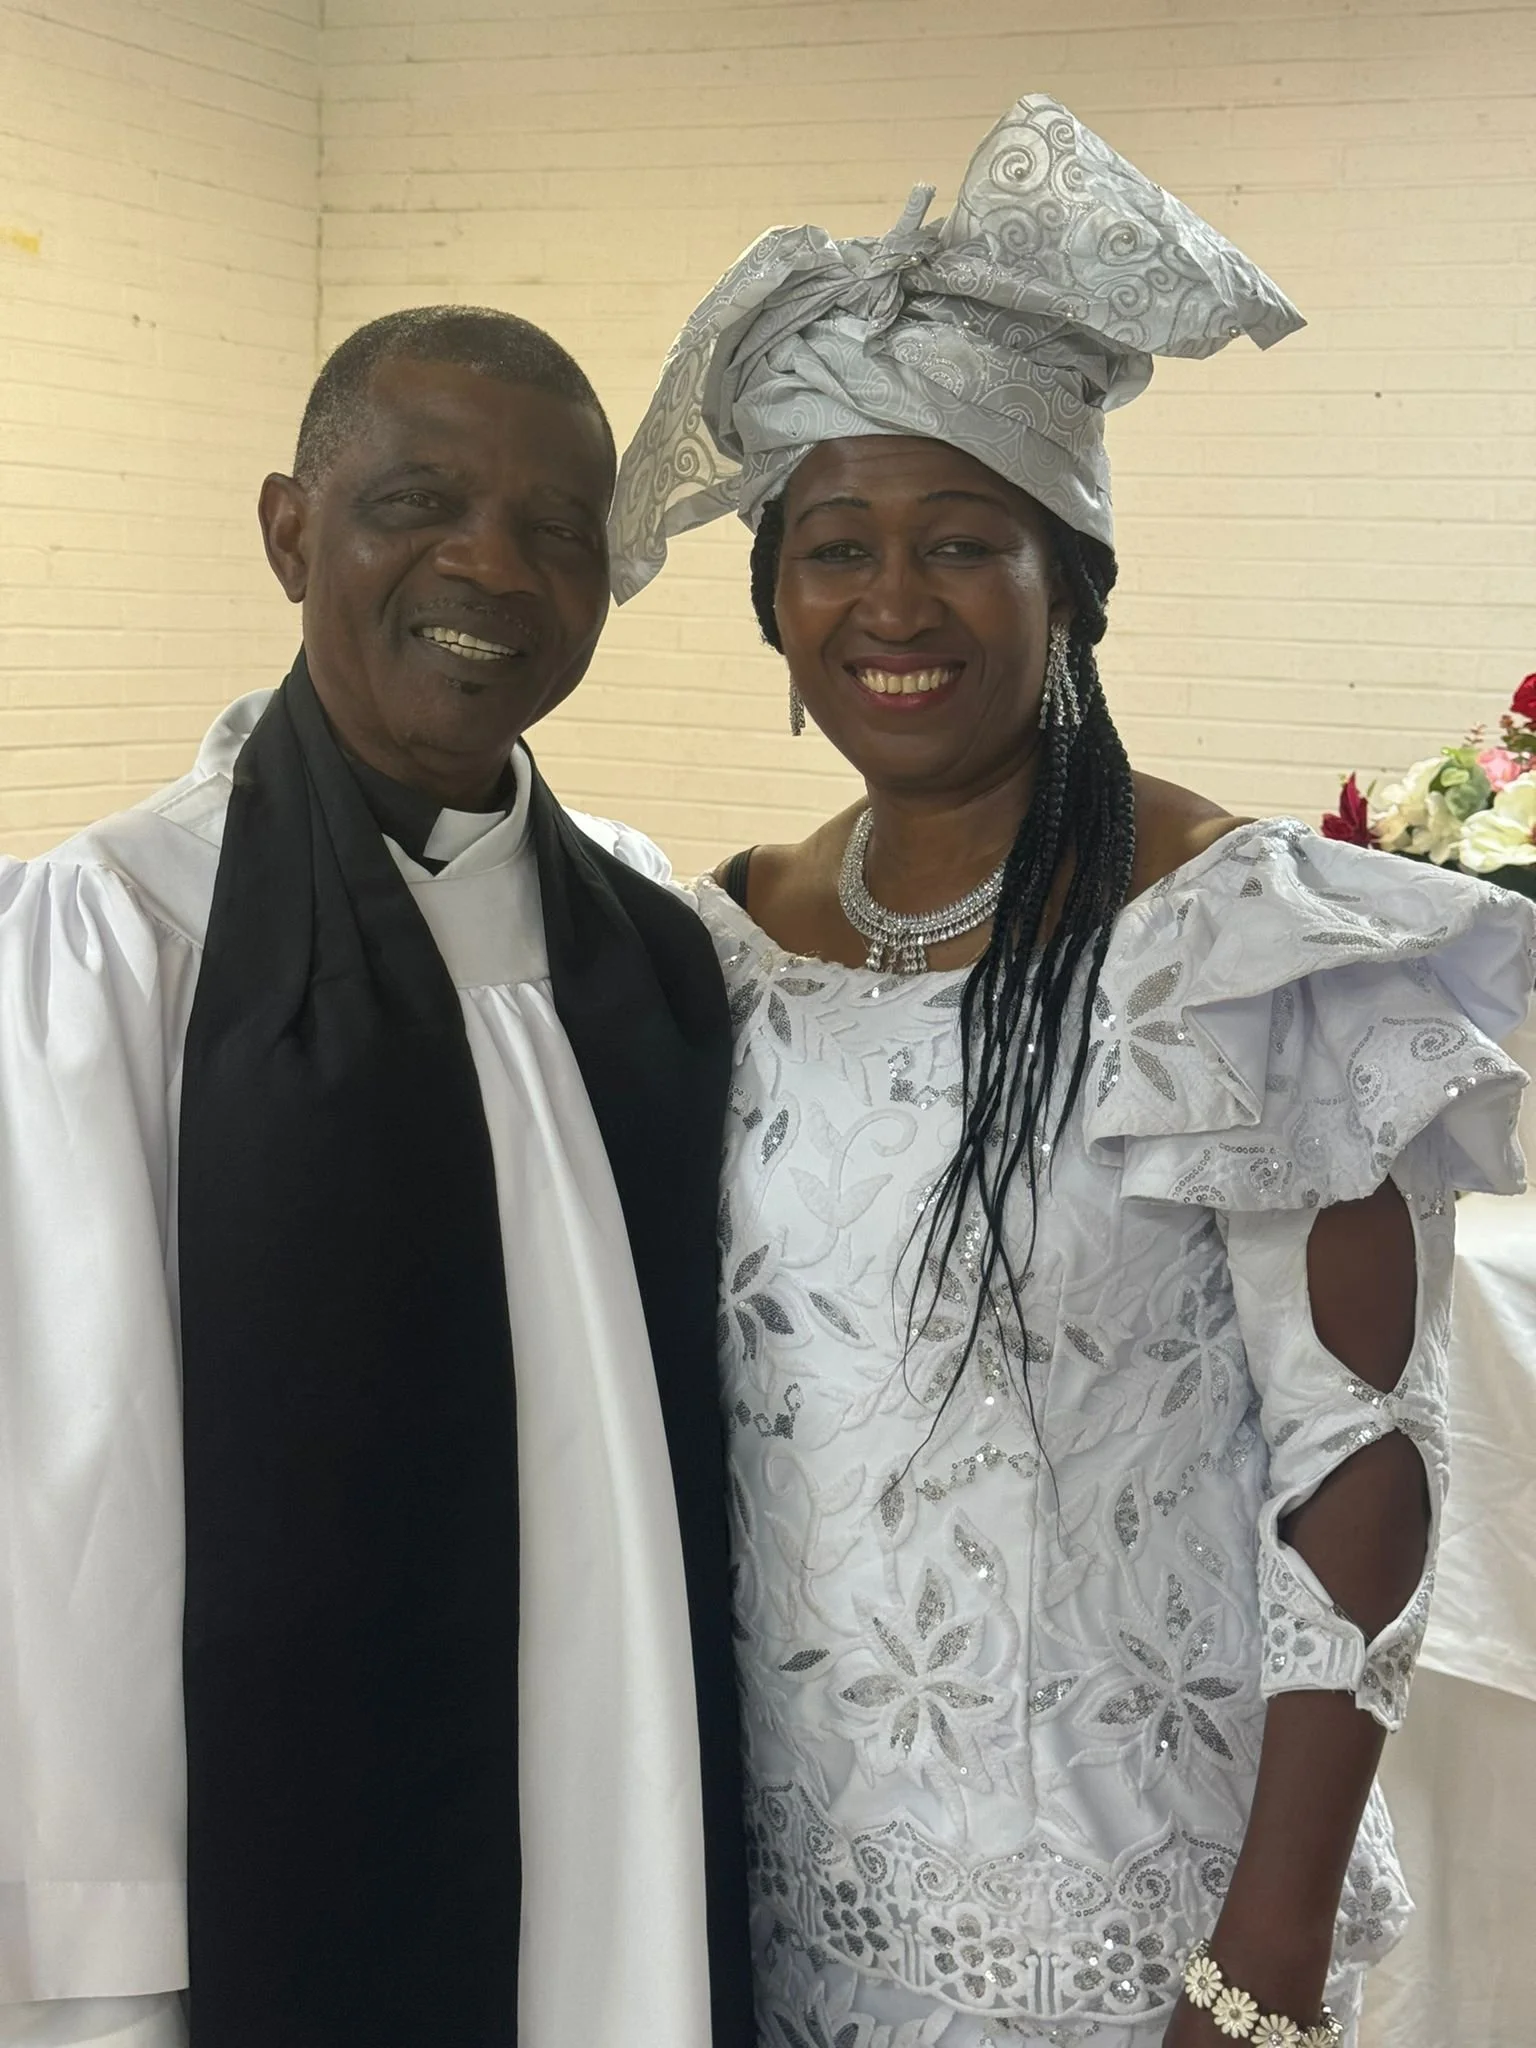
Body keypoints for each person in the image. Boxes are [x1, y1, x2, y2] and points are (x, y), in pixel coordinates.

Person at [608, 96, 1536, 2048]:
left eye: (966, 542)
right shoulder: (723, 947)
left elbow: (1364, 1482)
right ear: (773, 599)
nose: (892, 601)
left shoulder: (1233, 941)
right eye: (834, 546)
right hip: (786, 1901)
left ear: (1071, 588)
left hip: (1134, 1930)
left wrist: (1258, 1974)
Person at [0, 308, 752, 2048]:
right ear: (290, 529)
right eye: (416, 499)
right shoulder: (121, 947)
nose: (488, 565)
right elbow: (75, 1504)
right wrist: (108, 1981)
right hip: (282, 1857)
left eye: (560, 528)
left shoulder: (643, 936)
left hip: (631, 1775)